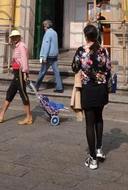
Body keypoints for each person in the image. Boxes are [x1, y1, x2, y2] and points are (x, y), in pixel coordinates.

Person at [72, 24, 111, 170]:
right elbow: (108, 67)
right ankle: (99, 149)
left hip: (88, 89)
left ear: (86, 36)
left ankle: (93, 158)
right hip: (101, 89)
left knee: (89, 123)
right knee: (99, 117)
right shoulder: (104, 50)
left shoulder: (82, 50)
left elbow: (74, 66)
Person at [0, 29, 33, 125]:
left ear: (19, 37)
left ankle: (29, 117)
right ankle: (1, 115)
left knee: (23, 93)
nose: (14, 38)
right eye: (12, 37)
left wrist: (24, 72)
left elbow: (24, 60)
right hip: (16, 72)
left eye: (15, 37)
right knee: (10, 92)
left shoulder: (22, 46)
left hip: (20, 71)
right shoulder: (17, 46)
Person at [34, 20, 63, 93]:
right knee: (56, 71)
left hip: (48, 56)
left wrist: (44, 57)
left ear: (46, 26)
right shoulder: (54, 32)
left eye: (44, 26)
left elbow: (46, 45)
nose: (43, 28)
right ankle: (59, 87)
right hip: (54, 55)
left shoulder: (48, 33)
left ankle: (36, 86)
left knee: (42, 71)